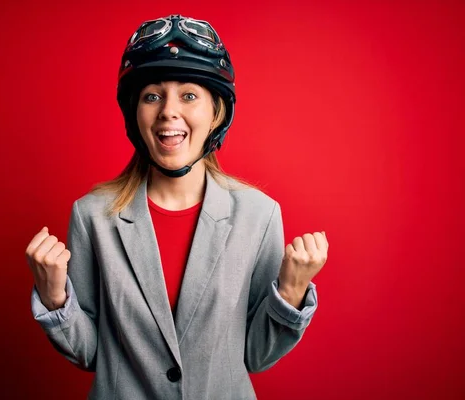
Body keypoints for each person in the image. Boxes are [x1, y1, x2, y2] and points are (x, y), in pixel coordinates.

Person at [26, 14, 329, 399]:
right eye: (152, 95)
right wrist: (55, 299)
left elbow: (255, 356)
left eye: (189, 95)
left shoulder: (260, 214)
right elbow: (91, 354)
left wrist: (292, 291)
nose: (169, 110)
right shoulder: (92, 216)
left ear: (216, 112)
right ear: (135, 114)